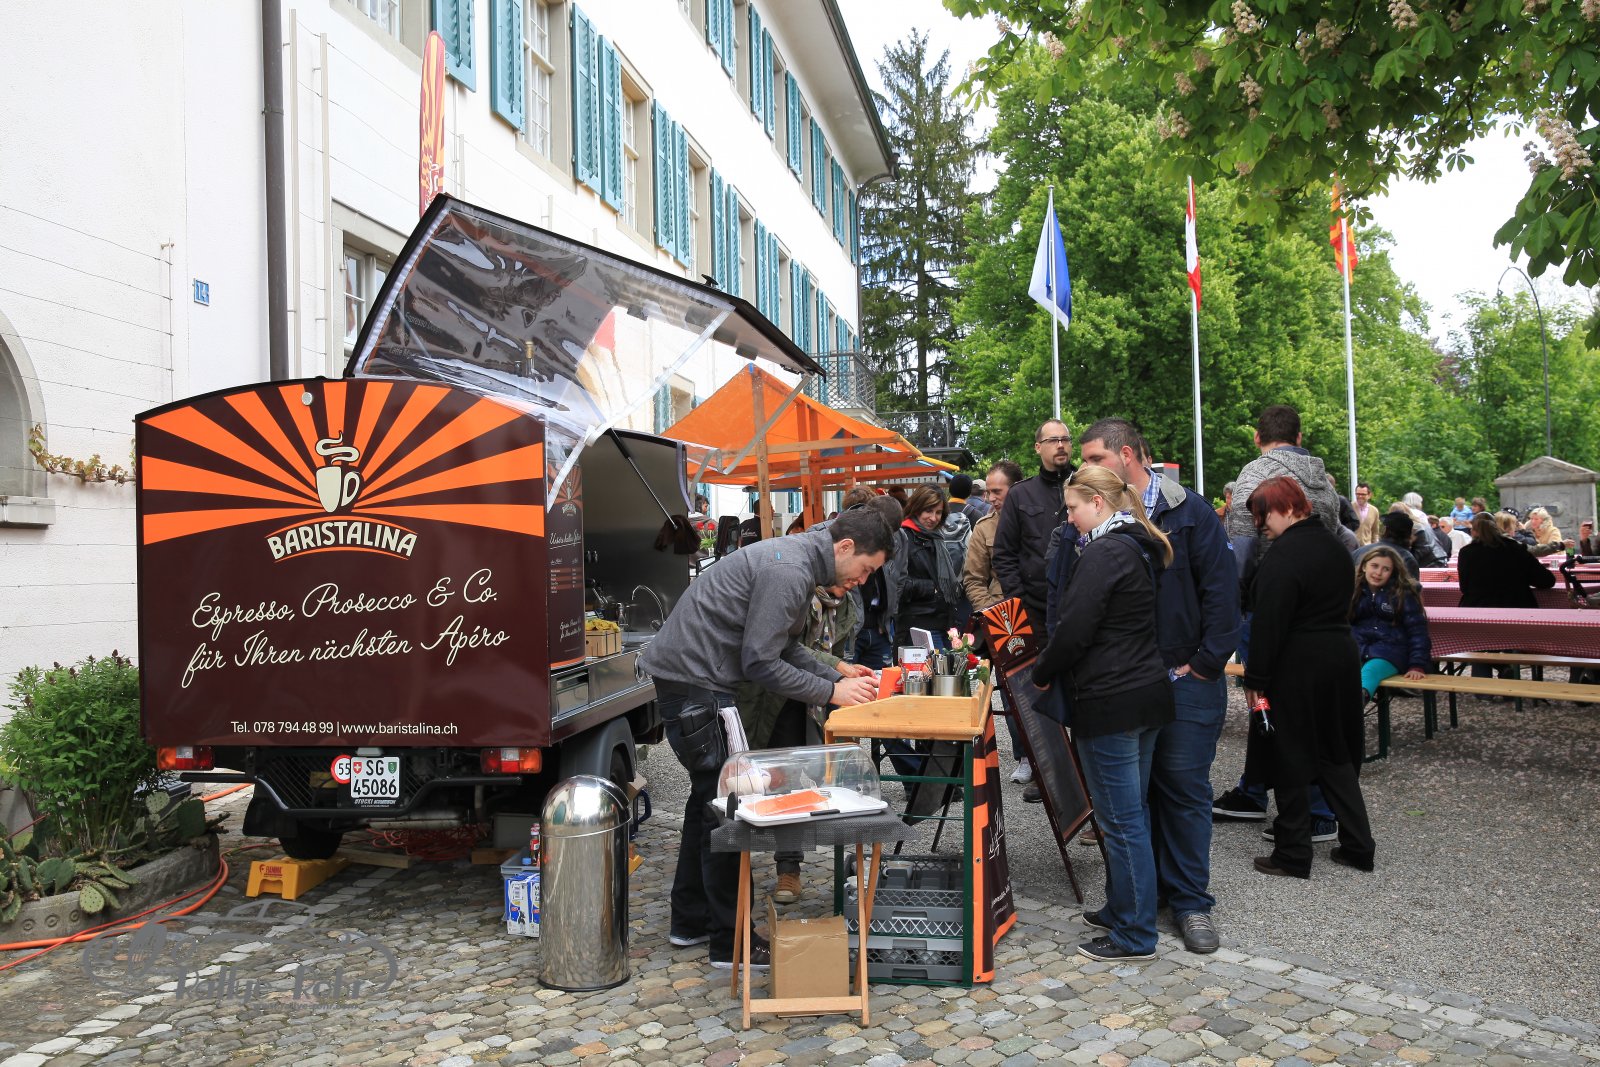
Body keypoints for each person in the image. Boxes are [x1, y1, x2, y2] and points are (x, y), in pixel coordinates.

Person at [639, 510, 892, 968]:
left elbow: (785, 647)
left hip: (693, 681)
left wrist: (835, 674)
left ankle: (691, 921)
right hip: (698, 685)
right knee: (728, 808)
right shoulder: (790, 571)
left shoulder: (796, 562)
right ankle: (730, 942)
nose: (863, 580)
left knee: (707, 804)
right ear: (845, 547)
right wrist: (831, 693)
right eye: (866, 569)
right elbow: (761, 662)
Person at [1077, 418, 1239, 955]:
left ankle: (1190, 902)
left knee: (1184, 789)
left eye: (1095, 458)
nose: (1086, 468)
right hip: (1129, 683)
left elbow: (1222, 593)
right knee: (1130, 798)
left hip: (1185, 678)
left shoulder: (1189, 511)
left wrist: (1206, 664)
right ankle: (1134, 903)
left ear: (1126, 456)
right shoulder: (1097, 515)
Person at [1030, 465, 1175, 961]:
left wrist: (1041, 670)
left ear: (1097, 501)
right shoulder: (1135, 543)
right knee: (1131, 816)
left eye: (1073, 508)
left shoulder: (1105, 551)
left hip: (1112, 699)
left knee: (1121, 820)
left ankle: (1135, 934)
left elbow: (1074, 628)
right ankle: (1123, 909)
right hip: (1143, 693)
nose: (1069, 518)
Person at [1243, 477, 1376, 878]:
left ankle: (1292, 853)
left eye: (1262, 516)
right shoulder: (1336, 547)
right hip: (1339, 658)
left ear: (1285, 508)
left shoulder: (1284, 555)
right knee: (1335, 752)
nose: (1259, 526)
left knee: (1290, 753)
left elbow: (1269, 623)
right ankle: (1358, 845)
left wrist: (1255, 680)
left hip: (1297, 664)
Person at [963, 460, 1030, 783]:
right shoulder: (985, 527)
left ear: (1016, 489)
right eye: (988, 491)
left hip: (1038, 615)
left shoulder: (1040, 518)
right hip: (1002, 622)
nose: (990, 498)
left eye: (997, 491)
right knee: (1011, 692)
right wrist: (991, 613)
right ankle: (1024, 756)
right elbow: (973, 578)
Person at [1223, 405, 1347, 546]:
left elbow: (1243, 544)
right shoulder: (1326, 485)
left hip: (1271, 560)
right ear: (1299, 438)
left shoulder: (1253, 474)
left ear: (1257, 437)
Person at [992, 419, 1075, 629]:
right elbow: (1004, 553)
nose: (1060, 445)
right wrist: (1020, 602)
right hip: (1035, 611)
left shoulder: (1087, 488)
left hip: (1080, 605)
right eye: (1053, 440)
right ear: (1038, 447)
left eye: (1065, 439)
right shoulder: (1020, 494)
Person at [1458, 512, 1557, 683]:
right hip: (1517, 613)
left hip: (1478, 615)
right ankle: (1507, 668)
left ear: (1473, 531)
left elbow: (1464, 588)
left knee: (1480, 642)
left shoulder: (1466, 553)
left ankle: (1484, 687)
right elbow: (1546, 581)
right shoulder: (1516, 549)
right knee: (1506, 638)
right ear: (1497, 528)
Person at [1350, 546, 1432, 705]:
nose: (1378, 573)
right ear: (1364, 566)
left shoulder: (1403, 593)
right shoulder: (1353, 590)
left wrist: (1417, 664)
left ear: (1393, 572)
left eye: (1385, 569)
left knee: (1370, 672)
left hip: (1391, 651)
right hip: (1358, 648)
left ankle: (1354, 708)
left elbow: (1418, 631)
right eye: (1374, 566)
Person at [887, 486, 962, 644]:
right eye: (928, 510)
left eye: (938, 512)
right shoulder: (903, 536)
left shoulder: (936, 537)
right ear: (916, 508)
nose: (933, 518)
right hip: (917, 625)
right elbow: (895, 584)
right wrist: (931, 588)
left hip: (943, 623)